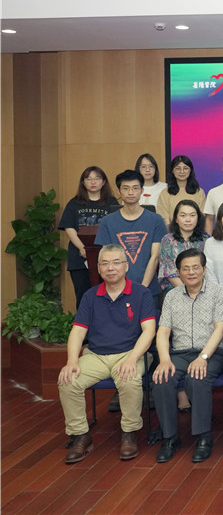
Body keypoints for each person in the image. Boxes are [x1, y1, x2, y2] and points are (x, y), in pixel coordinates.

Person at [58, 244, 156, 463]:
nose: (111, 268)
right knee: (68, 380)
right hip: (96, 355)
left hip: (130, 353)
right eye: (105, 263)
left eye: (116, 262)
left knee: (129, 379)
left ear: (126, 266)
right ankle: (80, 435)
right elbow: (77, 331)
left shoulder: (141, 293)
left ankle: (129, 432)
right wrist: (72, 361)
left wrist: (132, 359)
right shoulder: (90, 296)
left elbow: (149, 331)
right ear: (99, 268)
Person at [151, 248, 223, 463]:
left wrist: (203, 358)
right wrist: (164, 360)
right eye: (185, 269)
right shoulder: (171, 296)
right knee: (161, 379)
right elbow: (163, 331)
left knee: (197, 377)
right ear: (178, 272)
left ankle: (204, 437)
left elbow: (221, 328)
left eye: (196, 267)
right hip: (180, 353)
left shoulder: (218, 292)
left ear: (204, 269)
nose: (191, 272)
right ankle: (169, 438)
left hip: (213, 353)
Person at [96, 169, 168, 298]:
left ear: (142, 190)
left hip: (148, 290)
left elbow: (155, 257)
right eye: (126, 188)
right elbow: (107, 259)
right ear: (119, 191)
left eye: (135, 188)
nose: (130, 192)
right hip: (116, 291)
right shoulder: (107, 222)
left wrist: (142, 289)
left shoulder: (156, 220)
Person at [59, 166, 121, 308]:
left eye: (97, 178)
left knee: (108, 296)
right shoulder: (74, 203)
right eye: (89, 179)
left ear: (103, 182)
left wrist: (104, 251)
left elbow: (115, 228)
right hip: (80, 259)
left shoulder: (112, 203)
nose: (93, 182)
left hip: (106, 258)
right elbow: (69, 228)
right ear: (83, 182)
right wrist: (83, 248)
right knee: (83, 296)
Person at [158, 200, 209, 298]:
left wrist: (198, 293)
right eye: (183, 215)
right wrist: (189, 294)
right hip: (175, 292)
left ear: (198, 218)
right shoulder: (168, 240)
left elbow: (207, 271)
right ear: (176, 219)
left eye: (192, 215)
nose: (188, 220)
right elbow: (169, 272)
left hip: (203, 292)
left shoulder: (206, 240)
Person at [156, 155, 206, 225]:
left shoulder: (199, 192)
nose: (182, 171)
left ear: (190, 170)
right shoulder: (165, 193)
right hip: (172, 230)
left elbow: (201, 217)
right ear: (172, 171)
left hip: (195, 230)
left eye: (185, 168)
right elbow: (165, 219)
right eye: (178, 168)